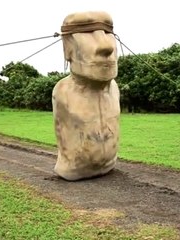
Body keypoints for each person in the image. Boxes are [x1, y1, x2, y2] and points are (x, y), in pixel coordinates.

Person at [52, 11, 120, 180]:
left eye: (107, 32)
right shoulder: (63, 91)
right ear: (67, 47)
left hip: (110, 166)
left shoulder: (114, 88)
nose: (106, 46)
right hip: (73, 171)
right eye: (87, 33)